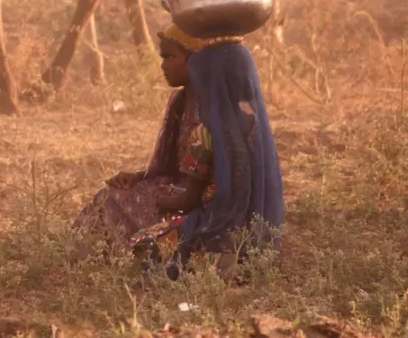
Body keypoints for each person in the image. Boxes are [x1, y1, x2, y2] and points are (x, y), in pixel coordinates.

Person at [76, 24, 284, 279]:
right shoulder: (195, 105)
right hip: (201, 199)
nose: (163, 65)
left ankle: (94, 259)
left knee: (113, 202)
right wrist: (140, 176)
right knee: (116, 196)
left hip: (200, 206)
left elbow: (188, 199)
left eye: (170, 57)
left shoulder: (211, 121)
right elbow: (174, 165)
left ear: (198, 62)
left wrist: (162, 199)